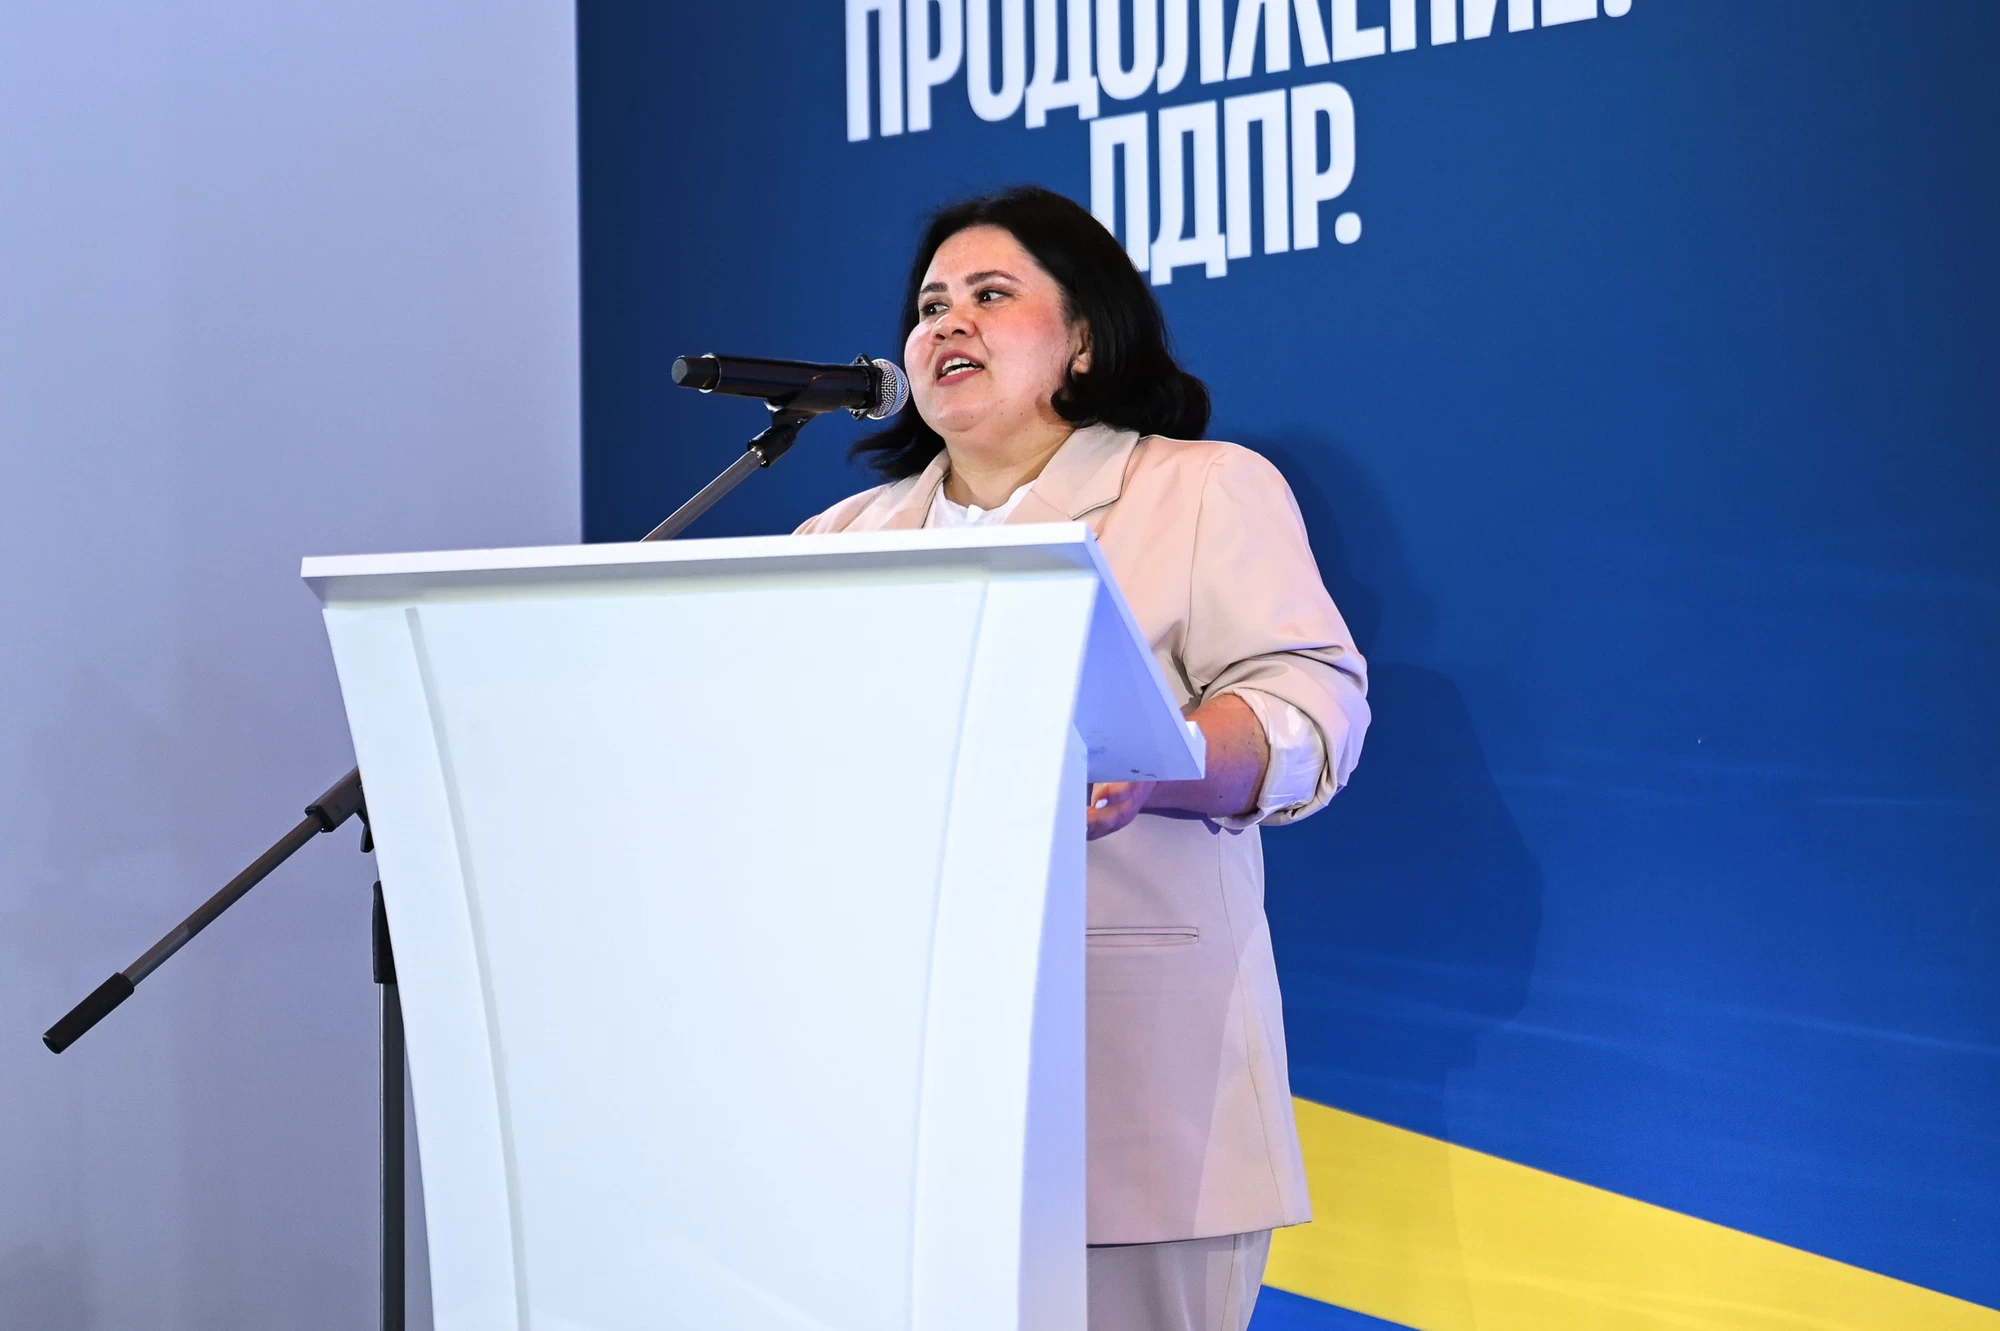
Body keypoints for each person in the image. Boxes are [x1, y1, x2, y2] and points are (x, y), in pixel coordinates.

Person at [796, 185, 1369, 1331]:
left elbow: (1312, 708)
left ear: (1085, 338)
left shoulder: (1199, 489)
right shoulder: (836, 542)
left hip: (1133, 1090)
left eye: (989, 294)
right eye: (929, 305)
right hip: (889, 1095)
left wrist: (1164, 761)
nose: (946, 323)